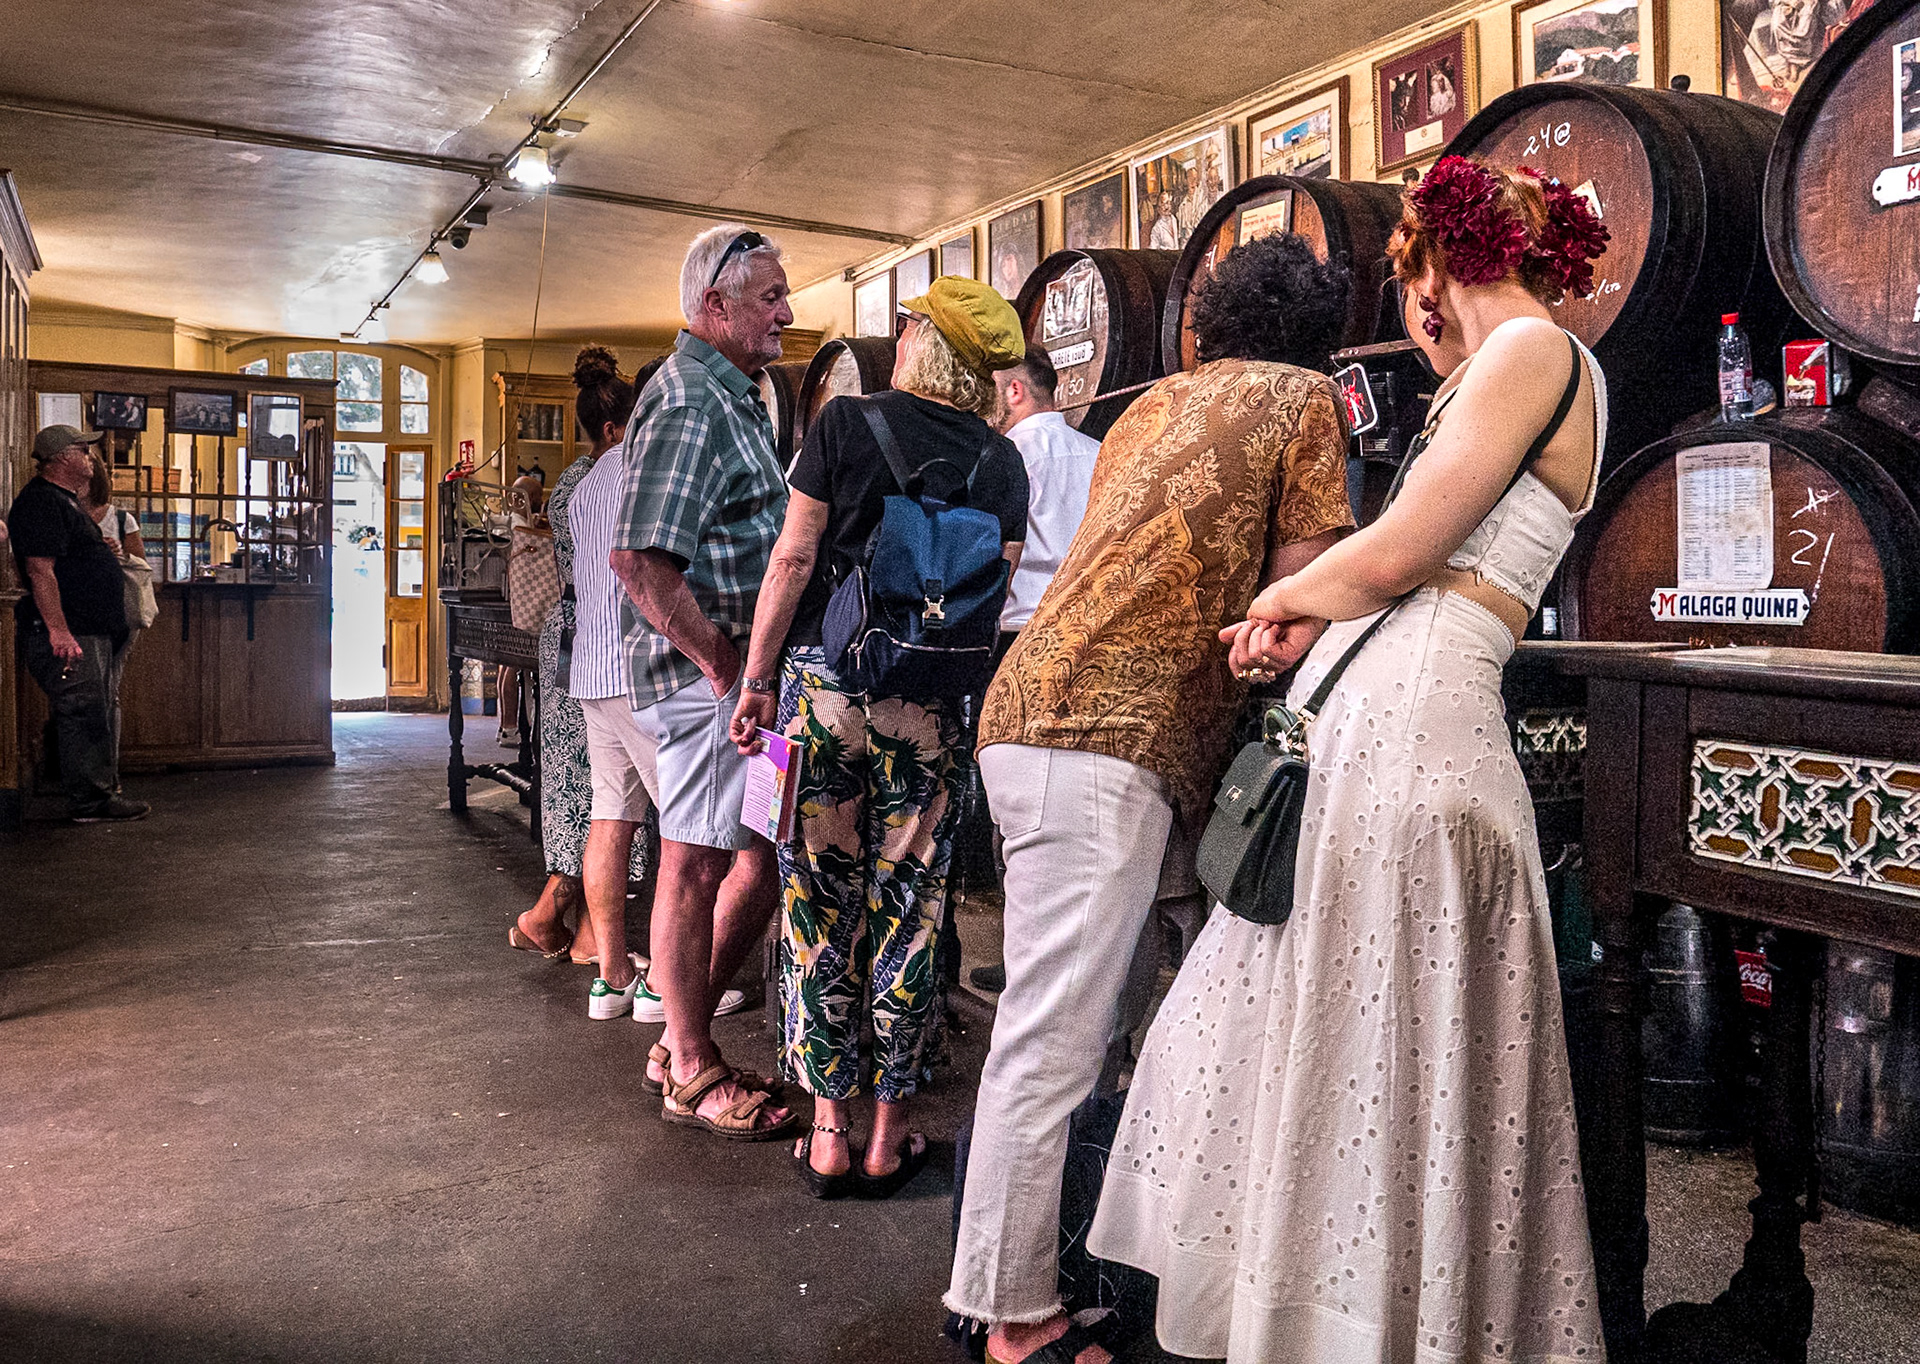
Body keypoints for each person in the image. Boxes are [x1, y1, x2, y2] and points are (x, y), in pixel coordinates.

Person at [1087, 157, 1612, 1364]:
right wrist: (1305, 628)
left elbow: (1398, 552)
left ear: (1434, 265)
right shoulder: (1508, 366)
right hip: (1392, 728)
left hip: (1416, 740)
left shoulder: (1530, 351)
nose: (1414, 316)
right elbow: (1405, 572)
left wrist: (1277, 599)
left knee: (1365, 1050)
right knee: (1356, 1048)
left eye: (1412, 283)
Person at [945, 232, 1359, 1364]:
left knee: (1106, 1014)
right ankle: (1009, 1312)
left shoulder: (1147, 407)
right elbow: (1303, 588)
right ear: (1318, 328)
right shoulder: (1305, 400)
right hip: (1112, 735)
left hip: (1033, 707)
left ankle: (1071, 1265)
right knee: (1054, 1039)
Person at [729, 277, 1030, 1199]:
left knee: (818, 904)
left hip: (825, 693)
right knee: (913, 909)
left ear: (919, 343)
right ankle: (888, 1137)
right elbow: (988, 599)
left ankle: (828, 1131)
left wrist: (756, 679)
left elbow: (792, 557)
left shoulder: (844, 426)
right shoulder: (1002, 463)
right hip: (927, 710)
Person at [598, 222, 796, 1140]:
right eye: (770, 298)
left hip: (739, 682)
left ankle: (678, 1038)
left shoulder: (731, 395)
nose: (785, 315)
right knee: (697, 861)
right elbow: (638, 559)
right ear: (714, 305)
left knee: (757, 856)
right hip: (706, 682)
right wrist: (724, 665)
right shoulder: (688, 399)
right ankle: (690, 1065)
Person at [508, 347, 654, 965]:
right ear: (616, 428)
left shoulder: (575, 480)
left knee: (590, 790)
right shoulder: (612, 478)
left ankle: (580, 932)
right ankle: (570, 926)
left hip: (573, 636)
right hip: (596, 633)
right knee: (599, 793)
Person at [7, 425, 147, 823]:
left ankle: (98, 795)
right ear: (62, 458)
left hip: (87, 627)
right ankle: (90, 802)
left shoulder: (63, 500)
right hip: (71, 629)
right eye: (83, 450)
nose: (90, 457)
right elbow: (40, 571)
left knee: (91, 711)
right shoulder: (42, 502)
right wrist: (59, 630)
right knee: (82, 712)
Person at [82, 449, 145, 776]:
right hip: (76, 613)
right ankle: (92, 772)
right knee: (89, 694)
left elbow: (141, 567)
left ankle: (108, 772)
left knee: (108, 691)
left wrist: (117, 554)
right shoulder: (63, 512)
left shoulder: (121, 520)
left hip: (117, 615)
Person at [498, 471, 546, 748]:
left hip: (514, 598)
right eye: (536, 496)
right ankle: (510, 727)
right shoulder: (518, 526)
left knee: (507, 663)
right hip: (521, 600)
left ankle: (506, 727)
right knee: (513, 663)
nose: (538, 502)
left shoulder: (515, 521)